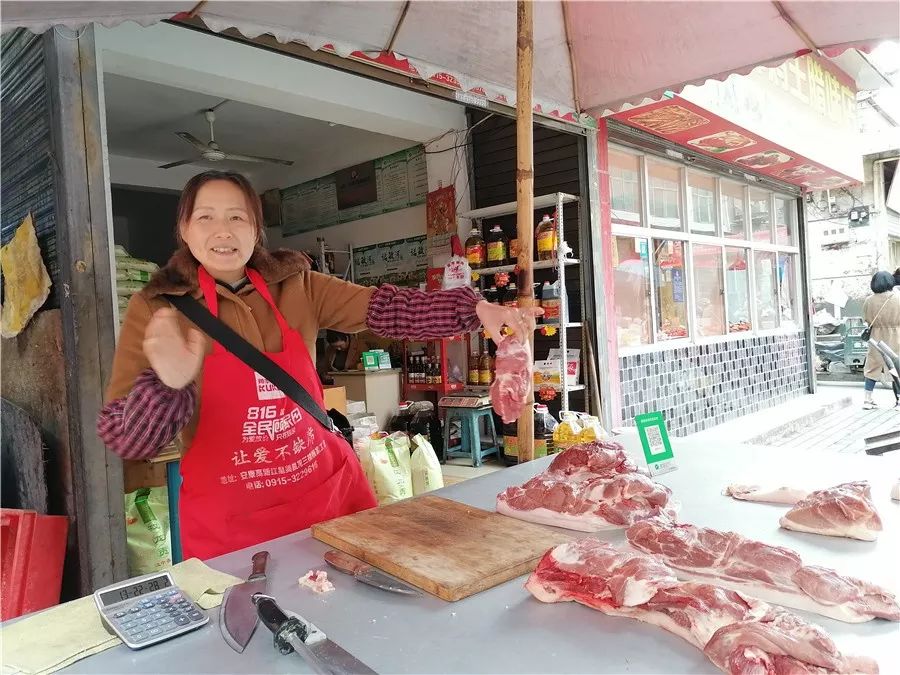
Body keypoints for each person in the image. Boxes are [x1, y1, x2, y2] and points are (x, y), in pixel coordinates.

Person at [97, 170, 538, 560]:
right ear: (184, 229)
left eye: (237, 216)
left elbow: (388, 310)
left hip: (326, 494)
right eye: (205, 217)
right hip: (233, 525)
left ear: (256, 229)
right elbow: (126, 439)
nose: (223, 230)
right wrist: (167, 385)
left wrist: (476, 309)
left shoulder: (296, 284)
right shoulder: (159, 307)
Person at [862, 270, 900, 410]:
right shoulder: (898, 298)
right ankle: (899, 401)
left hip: (876, 338)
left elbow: (866, 319)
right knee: (896, 368)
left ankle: (867, 399)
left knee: (872, 368)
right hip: (896, 336)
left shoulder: (869, 300)